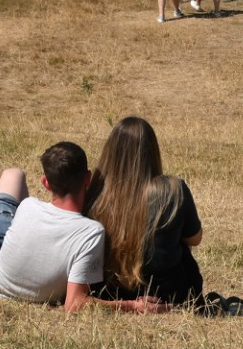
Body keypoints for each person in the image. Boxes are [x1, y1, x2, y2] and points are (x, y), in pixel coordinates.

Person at [0, 141, 163, 312]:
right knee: (14, 175)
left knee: (12, 174)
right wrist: (133, 305)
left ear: (45, 183)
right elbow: (75, 303)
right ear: (88, 178)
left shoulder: (28, 205)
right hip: (35, 292)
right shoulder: (91, 232)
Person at [85, 117, 205, 308]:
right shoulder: (173, 189)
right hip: (167, 294)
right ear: (152, 151)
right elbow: (194, 239)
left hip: (109, 291)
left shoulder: (95, 190)